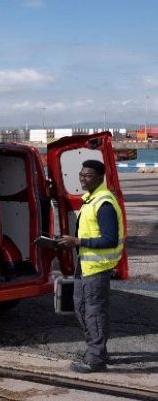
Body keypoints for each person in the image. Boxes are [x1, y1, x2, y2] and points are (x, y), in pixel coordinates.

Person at [58, 159, 124, 373]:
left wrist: (77, 242)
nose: (82, 179)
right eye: (81, 174)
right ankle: (96, 351)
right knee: (81, 308)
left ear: (99, 177)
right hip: (84, 265)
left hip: (97, 267)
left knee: (95, 313)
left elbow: (110, 240)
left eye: (88, 176)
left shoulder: (103, 204)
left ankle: (96, 360)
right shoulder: (90, 200)